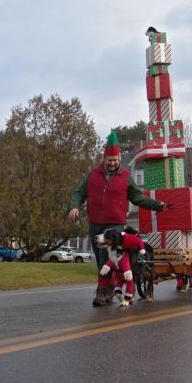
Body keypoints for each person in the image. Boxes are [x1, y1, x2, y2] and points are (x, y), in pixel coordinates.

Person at [68, 131, 165, 307]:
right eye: (109, 160)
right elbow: (79, 193)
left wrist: (156, 205)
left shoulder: (126, 177)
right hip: (95, 222)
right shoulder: (92, 175)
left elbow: (137, 197)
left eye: (115, 160)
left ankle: (102, 292)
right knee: (100, 258)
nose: (112, 163)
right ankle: (110, 287)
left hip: (115, 224)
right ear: (104, 159)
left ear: (119, 157)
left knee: (108, 257)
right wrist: (74, 206)